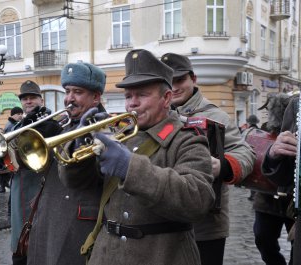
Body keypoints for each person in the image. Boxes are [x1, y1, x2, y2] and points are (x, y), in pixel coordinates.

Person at [59, 49, 215, 265]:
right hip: (108, 254)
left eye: (141, 94)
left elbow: (197, 199)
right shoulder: (119, 135)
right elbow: (78, 184)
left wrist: (129, 168)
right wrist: (80, 146)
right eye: (128, 96)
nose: (132, 103)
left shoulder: (186, 139)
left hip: (162, 255)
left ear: (166, 97)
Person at [161, 52, 255, 265]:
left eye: (180, 80)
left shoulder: (216, 116)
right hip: (165, 222)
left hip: (205, 226)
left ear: (193, 79)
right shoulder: (157, 114)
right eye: (169, 81)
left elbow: (245, 153)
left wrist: (222, 166)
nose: (174, 87)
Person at [27, 62, 106, 265]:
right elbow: (39, 167)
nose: (69, 99)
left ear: (96, 97)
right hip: (49, 214)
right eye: (67, 91)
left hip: (76, 220)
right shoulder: (65, 124)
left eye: (78, 92)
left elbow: (82, 177)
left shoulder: (103, 127)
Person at [9, 80, 62, 265]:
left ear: (41, 99)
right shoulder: (18, 126)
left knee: (38, 237)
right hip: (19, 188)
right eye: (24, 99)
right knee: (18, 236)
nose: (28, 101)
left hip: (39, 186)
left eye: (32, 98)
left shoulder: (51, 125)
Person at [260, 95, 298, 265]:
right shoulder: (297, 105)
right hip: (270, 198)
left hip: (289, 199)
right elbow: (284, 172)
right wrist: (273, 155)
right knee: (263, 238)